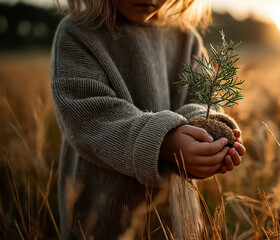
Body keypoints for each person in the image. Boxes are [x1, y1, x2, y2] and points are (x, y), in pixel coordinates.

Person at [51, 0, 246, 239]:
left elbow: (204, 99)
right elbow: (88, 114)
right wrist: (164, 143)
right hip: (103, 221)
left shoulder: (185, 38)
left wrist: (205, 137)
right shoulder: (78, 33)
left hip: (174, 220)